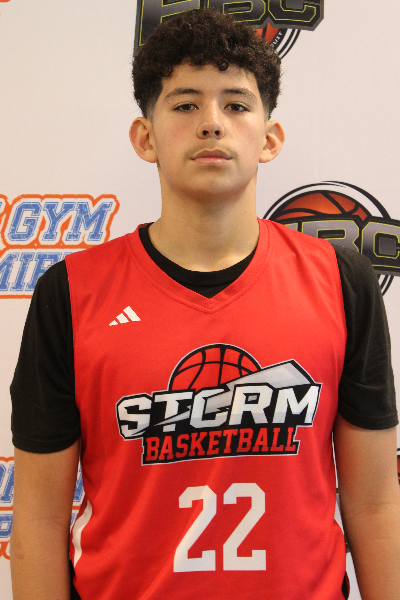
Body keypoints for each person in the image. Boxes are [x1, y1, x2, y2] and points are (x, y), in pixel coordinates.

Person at [9, 9, 400, 600]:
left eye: (237, 105)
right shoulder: (72, 292)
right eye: (186, 104)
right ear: (145, 137)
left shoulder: (341, 280)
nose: (212, 123)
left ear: (270, 138)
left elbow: (373, 503)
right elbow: (38, 521)